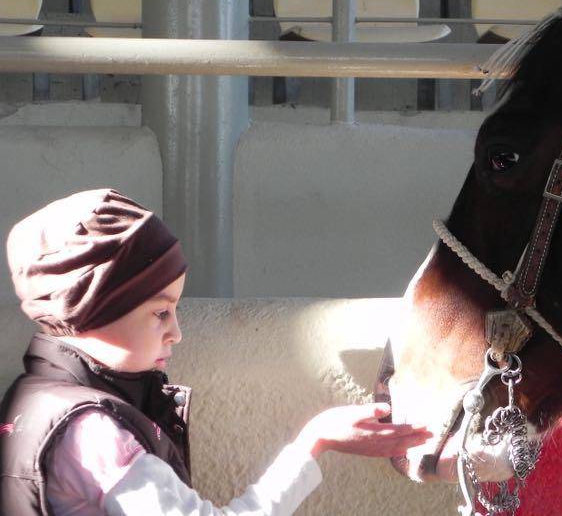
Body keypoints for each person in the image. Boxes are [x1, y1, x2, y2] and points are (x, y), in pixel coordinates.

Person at [0, 189, 427, 515]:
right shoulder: (94, 434)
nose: (176, 333)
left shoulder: (32, 399)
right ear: (96, 307)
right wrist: (313, 442)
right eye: (161, 312)